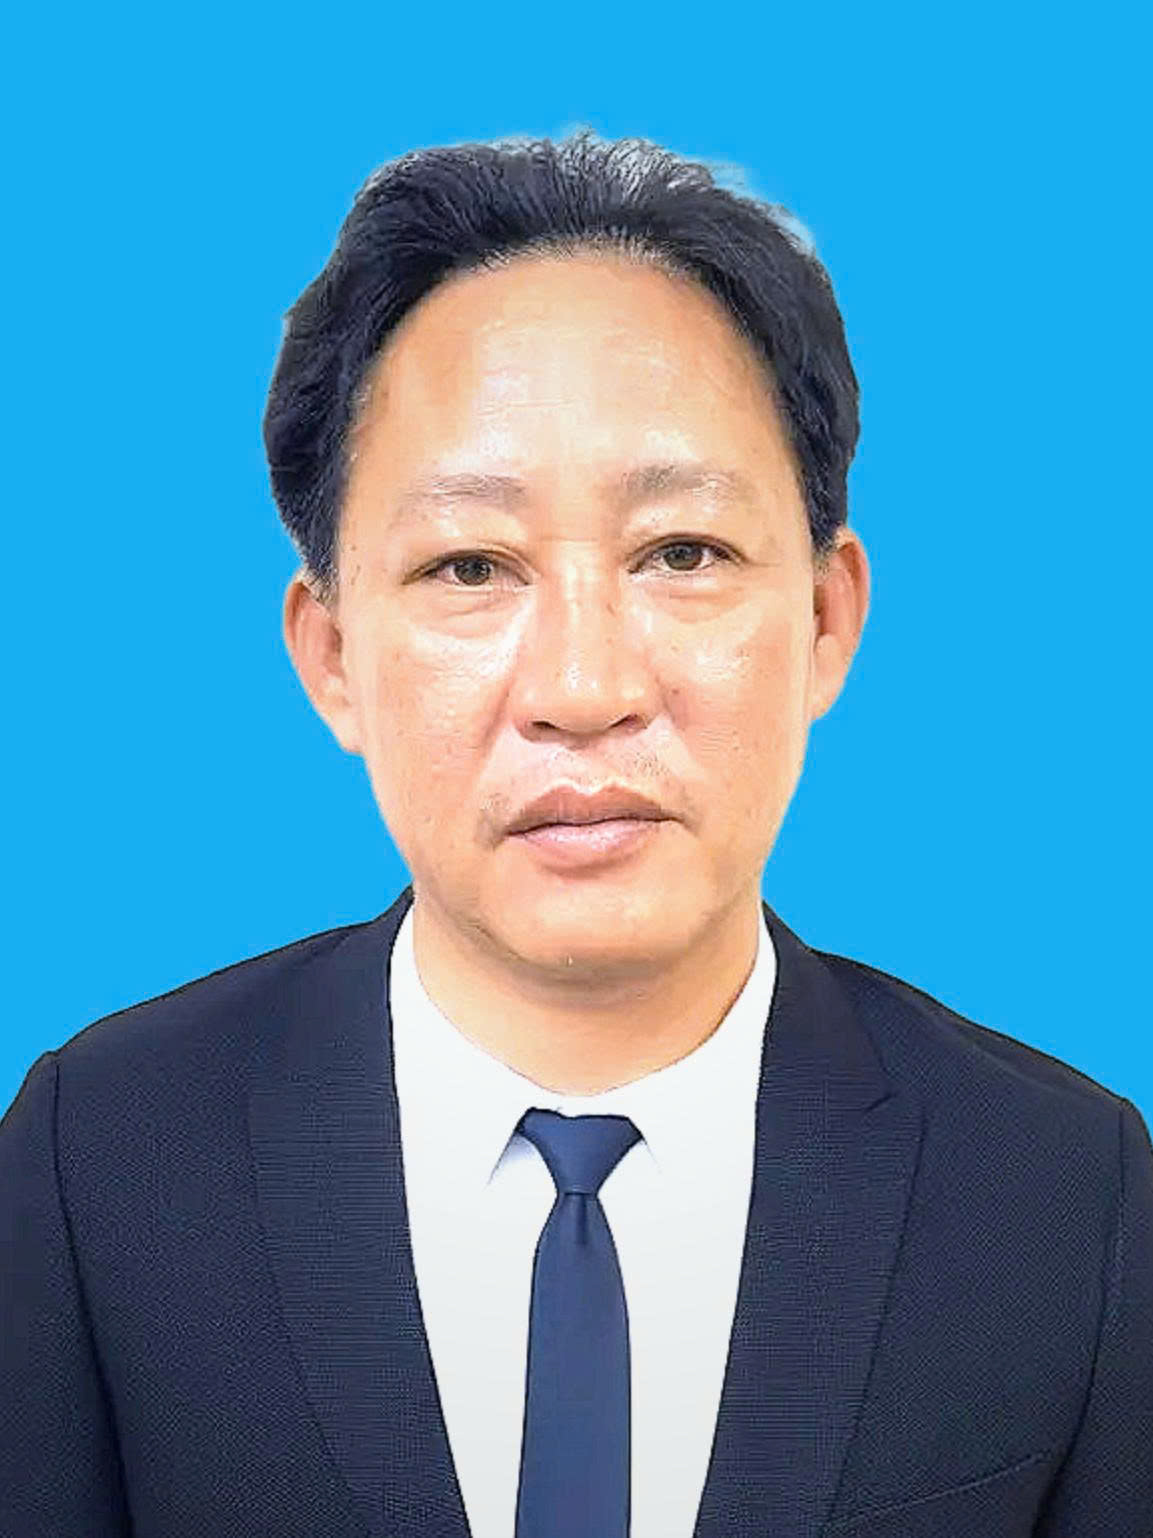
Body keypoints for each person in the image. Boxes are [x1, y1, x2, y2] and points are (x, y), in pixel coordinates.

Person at [1, 131, 1150, 1538]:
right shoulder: (101, 1159)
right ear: (333, 654)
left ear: (825, 617)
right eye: (470, 566)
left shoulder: (1063, 1191)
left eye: (683, 553)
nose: (585, 687)